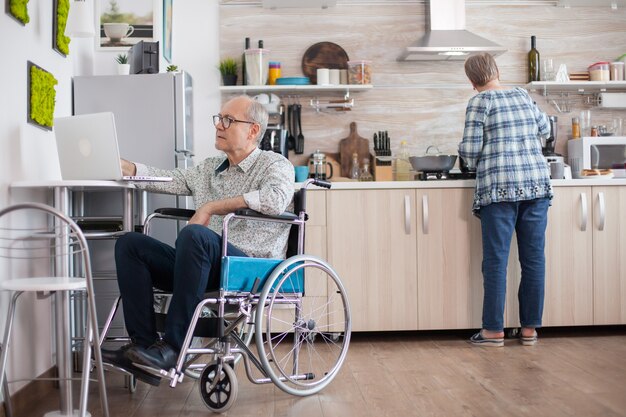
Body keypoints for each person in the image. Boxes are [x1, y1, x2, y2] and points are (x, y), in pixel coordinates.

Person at [101, 95, 294, 385]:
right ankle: (145, 348)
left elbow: (274, 199)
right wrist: (122, 166)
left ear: (253, 130)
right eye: (218, 119)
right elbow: (165, 177)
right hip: (200, 262)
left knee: (195, 234)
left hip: (248, 267)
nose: (219, 125)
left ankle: (173, 348)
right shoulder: (208, 169)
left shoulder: (274, 164)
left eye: (228, 120)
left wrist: (211, 207)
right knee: (131, 244)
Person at [458, 53, 552, 348]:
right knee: (534, 260)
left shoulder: (479, 102)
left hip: (499, 189)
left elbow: (471, 155)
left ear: (472, 82)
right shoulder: (522, 94)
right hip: (536, 186)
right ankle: (529, 330)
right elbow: (546, 130)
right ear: (497, 71)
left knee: (496, 261)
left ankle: (493, 331)